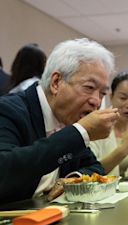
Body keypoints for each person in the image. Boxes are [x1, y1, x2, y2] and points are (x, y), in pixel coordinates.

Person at [0, 38, 118, 204]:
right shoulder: (8, 110)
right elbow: (4, 171)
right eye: (89, 88)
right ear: (56, 82)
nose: (96, 102)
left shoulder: (68, 119)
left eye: (102, 93)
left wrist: (72, 180)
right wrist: (79, 133)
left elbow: (95, 167)